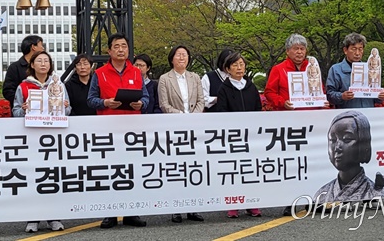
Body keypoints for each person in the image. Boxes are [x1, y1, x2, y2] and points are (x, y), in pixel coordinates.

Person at [87, 32, 149, 228]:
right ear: (109, 50)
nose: (121, 49)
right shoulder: (99, 73)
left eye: (124, 46)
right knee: (110, 171)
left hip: (133, 129)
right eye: (117, 46)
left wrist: (142, 104)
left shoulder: (136, 72)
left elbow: (146, 98)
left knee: (132, 171)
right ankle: (110, 214)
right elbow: (90, 100)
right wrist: (105, 102)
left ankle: (132, 212)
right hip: (108, 129)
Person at [264, 34, 329, 216]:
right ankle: (290, 201)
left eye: (302, 48)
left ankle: (315, 200)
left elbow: (320, 91)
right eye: (295, 48)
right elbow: (269, 92)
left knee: (313, 162)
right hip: (289, 122)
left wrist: (323, 102)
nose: (299, 52)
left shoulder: (313, 68)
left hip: (312, 121)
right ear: (287, 51)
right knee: (291, 163)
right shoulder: (279, 69)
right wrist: (282, 102)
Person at [12, 51, 68, 232]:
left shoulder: (59, 85)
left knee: (52, 177)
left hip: (54, 139)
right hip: (32, 138)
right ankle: (33, 218)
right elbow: (15, 112)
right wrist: (24, 109)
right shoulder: (24, 86)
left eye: (46, 61)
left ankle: (54, 217)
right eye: (39, 61)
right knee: (33, 177)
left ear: (51, 65)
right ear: (32, 65)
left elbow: (68, 111)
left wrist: (65, 107)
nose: (43, 64)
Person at [158, 45, 205, 223]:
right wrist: (181, 116)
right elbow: (164, 104)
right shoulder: (165, 79)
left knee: (193, 167)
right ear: (172, 59)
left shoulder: (195, 77)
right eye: (178, 55)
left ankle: (193, 207)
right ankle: (176, 208)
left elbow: (201, 100)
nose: (182, 58)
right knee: (177, 168)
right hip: (174, 127)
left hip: (194, 127)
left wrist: (193, 117)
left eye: (185, 55)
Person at [215, 52, 262, 218]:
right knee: (233, 170)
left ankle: (252, 203)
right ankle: (233, 204)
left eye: (241, 64)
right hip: (233, 137)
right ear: (227, 69)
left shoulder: (250, 87)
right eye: (235, 65)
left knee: (251, 169)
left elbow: (258, 108)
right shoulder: (224, 89)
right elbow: (221, 112)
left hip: (250, 136)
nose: (239, 67)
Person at [314, 111, 384, 204]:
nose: (337, 147)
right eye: (333, 140)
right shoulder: (322, 194)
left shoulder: (375, 194)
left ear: (363, 143)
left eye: (347, 139)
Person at [326, 33, 384, 109]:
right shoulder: (336, 69)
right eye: (354, 49)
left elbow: (375, 97)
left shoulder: (369, 69)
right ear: (345, 50)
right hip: (347, 115)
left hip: (368, 113)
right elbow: (329, 95)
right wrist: (342, 96)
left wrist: (379, 96)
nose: (357, 53)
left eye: (360, 49)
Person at [3, 35, 45, 109]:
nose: (43, 48)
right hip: (22, 112)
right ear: (33, 47)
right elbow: (8, 91)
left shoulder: (44, 67)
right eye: (41, 45)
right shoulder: (15, 67)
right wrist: (22, 101)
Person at [201, 48, 233, 112]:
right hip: (214, 116)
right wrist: (219, 99)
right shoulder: (208, 77)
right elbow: (203, 100)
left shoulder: (237, 77)